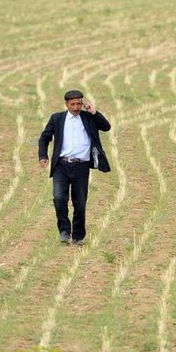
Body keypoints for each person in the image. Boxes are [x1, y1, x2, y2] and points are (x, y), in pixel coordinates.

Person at [39, 90, 111, 245]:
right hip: (61, 165)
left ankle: (78, 236)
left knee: (80, 202)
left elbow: (106, 127)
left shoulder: (88, 118)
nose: (77, 107)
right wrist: (43, 156)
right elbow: (44, 137)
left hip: (81, 166)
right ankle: (64, 231)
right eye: (73, 104)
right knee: (59, 198)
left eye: (79, 103)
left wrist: (94, 112)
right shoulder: (57, 118)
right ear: (66, 104)